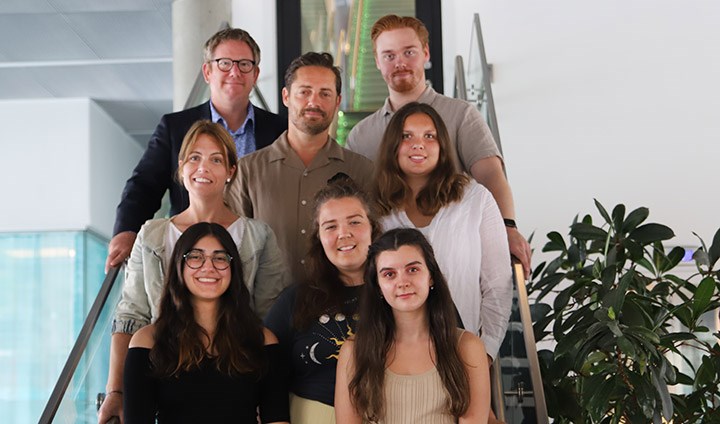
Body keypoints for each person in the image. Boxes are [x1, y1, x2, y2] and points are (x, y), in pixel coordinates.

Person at [98, 121, 288, 423]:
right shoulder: (151, 235)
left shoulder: (258, 235)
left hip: (235, 372)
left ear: (231, 171)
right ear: (181, 167)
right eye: (195, 157)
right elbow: (131, 314)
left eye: (216, 159)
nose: (204, 168)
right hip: (169, 373)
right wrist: (116, 391)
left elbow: (268, 314)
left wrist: (257, 389)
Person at [345, 14, 532, 278]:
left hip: (456, 264)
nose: (399, 63)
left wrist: (508, 227)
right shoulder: (361, 135)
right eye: (388, 55)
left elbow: (491, 175)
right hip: (391, 273)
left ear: (425, 53)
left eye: (408, 52)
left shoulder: (461, 115)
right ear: (377, 61)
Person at [106, 27, 287, 272]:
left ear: (255, 74)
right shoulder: (175, 128)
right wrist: (126, 232)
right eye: (224, 63)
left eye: (244, 64)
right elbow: (144, 185)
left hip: (254, 260)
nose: (234, 71)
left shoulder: (280, 130)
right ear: (207, 71)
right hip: (191, 261)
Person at [374, 102, 512, 362]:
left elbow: (498, 283)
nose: (418, 144)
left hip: (463, 353)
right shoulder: (377, 211)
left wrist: (487, 351)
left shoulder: (475, 199)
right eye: (406, 136)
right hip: (395, 360)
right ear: (392, 145)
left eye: (429, 136)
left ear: (442, 146)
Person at [123, 222, 290, 423]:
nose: (208, 267)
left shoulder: (262, 340)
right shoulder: (148, 341)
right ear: (179, 266)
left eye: (220, 258)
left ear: (233, 268)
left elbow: (277, 420)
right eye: (195, 257)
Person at [228, 52, 373, 281]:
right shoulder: (248, 171)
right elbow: (233, 249)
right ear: (286, 96)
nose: (313, 102)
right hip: (266, 311)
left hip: (342, 309)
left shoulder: (362, 171)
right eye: (304, 92)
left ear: (337, 101)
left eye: (325, 93)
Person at [335, 228, 491, 423]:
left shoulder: (468, 347)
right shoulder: (354, 351)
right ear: (378, 287)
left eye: (412, 269)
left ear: (431, 276)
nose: (403, 282)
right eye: (389, 274)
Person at [264, 175, 382, 424]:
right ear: (319, 238)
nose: (344, 234)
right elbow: (264, 376)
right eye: (330, 226)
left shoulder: (403, 291)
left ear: (373, 228)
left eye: (354, 222)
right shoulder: (295, 300)